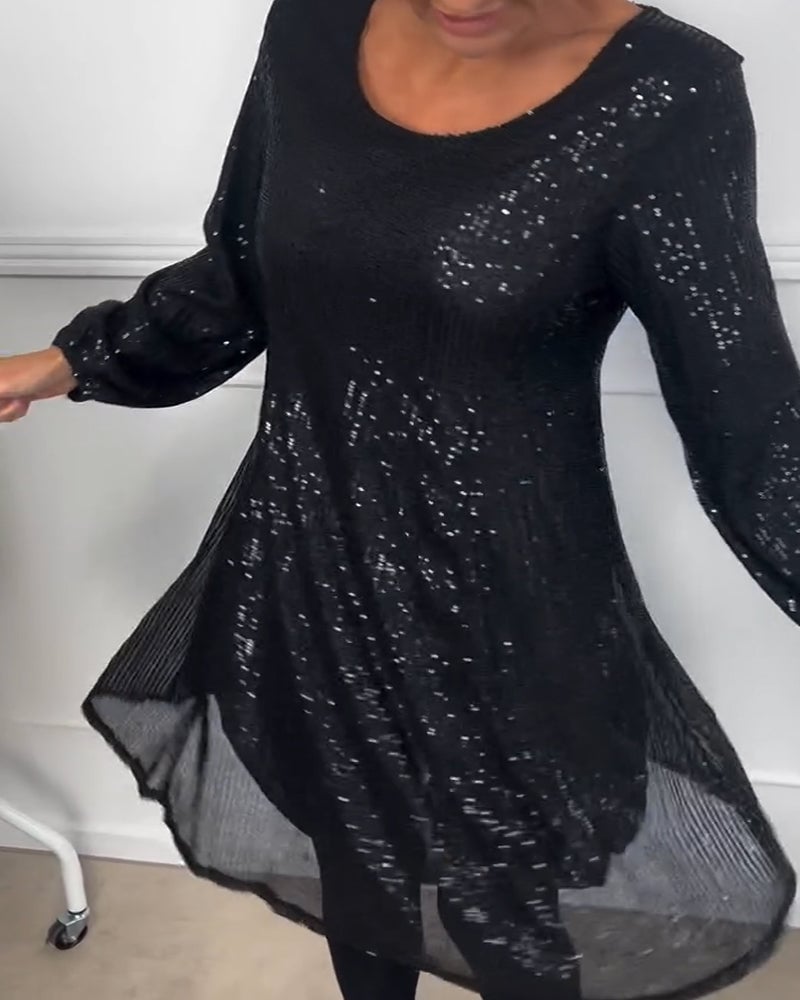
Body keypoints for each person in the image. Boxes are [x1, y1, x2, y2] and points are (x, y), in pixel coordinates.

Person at [1, 0, 797, 996]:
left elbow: (750, 421)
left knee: (507, 914)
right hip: (310, 565)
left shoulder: (667, 92)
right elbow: (241, 275)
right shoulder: (311, 26)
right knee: (359, 871)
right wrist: (65, 363)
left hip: (509, 608)